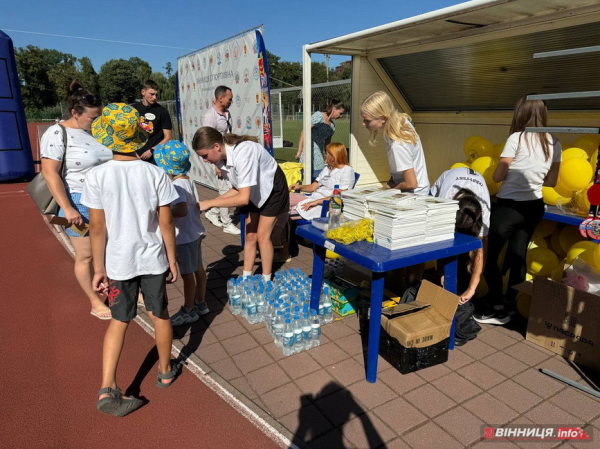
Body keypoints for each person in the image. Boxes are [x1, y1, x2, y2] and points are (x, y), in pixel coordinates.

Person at [83, 103, 181, 416]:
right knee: (159, 314)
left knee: (119, 319)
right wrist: (172, 259)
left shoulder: (96, 176)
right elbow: (166, 223)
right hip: (151, 258)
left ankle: (107, 384)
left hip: (118, 262)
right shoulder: (156, 174)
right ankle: (165, 371)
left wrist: (99, 268)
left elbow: (97, 228)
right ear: (140, 136)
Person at [477, 96, 561, 325]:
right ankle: (511, 304)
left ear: (520, 114)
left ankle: (497, 305)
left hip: (508, 207)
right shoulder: (554, 142)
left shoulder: (517, 138)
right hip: (534, 207)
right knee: (518, 255)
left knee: (486, 256)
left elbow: (497, 176)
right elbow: (552, 181)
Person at [40, 80, 112, 320]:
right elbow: (49, 172)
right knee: (87, 256)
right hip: (77, 199)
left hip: (104, 200)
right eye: (93, 118)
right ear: (74, 112)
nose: (96, 121)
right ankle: (94, 301)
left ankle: (115, 291)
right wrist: (67, 207)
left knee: (109, 250)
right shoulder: (57, 133)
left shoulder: (95, 132)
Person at [192, 127, 290, 281]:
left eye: (205, 155)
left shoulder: (244, 152)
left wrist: (210, 203)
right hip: (253, 190)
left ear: (216, 146)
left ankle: (266, 280)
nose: (204, 160)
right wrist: (210, 203)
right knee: (250, 236)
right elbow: (236, 188)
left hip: (273, 188)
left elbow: (243, 198)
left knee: (263, 236)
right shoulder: (220, 160)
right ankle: (246, 279)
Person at [154, 140, 210, 325]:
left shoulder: (176, 186)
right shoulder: (188, 180)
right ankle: (200, 303)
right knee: (198, 269)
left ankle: (188, 310)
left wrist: (160, 213)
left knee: (187, 275)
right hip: (194, 233)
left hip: (184, 237)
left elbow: (182, 210)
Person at [431, 167, 491, 303]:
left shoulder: (484, 212)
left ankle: (463, 285)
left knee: (470, 253)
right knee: (446, 239)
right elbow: (441, 240)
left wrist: (472, 288)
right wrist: (443, 272)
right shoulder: (444, 201)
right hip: (448, 180)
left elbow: (481, 250)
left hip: (476, 187)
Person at [360, 91, 429, 194]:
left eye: (367, 120)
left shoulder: (398, 144)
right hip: (416, 189)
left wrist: (390, 188)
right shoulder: (401, 121)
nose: (363, 123)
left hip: (414, 194)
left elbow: (411, 183)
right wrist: (390, 182)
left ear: (383, 118)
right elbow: (400, 168)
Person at [201, 85, 240, 235]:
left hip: (227, 155)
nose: (231, 102)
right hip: (218, 159)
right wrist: (217, 165)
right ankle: (227, 224)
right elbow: (207, 141)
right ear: (220, 98)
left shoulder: (226, 113)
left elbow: (227, 135)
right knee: (225, 189)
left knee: (232, 187)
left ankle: (213, 211)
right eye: (229, 99)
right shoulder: (210, 116)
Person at [289, 142, 355, 221]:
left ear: (333, 157)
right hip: (311, 197)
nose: (325, 155)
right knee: (281, 199)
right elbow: (313, 187)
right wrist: (300, 187)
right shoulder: (327, 168)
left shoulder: (346, 170)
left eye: (327, 153)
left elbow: (341, 195)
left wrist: (315, 202)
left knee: (283, 213)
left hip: (322, 205)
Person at [295, 99, 345, 179]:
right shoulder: (319, 116)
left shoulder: (332, 126)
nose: (341, 116)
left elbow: (327, 143)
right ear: (334, 109)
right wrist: (300, 151)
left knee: (318, 180)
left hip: (319, 158)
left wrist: (328, 156)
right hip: (308, 154)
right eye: (340, 113)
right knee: (305, 179)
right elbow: (304, 131)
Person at [132, 80, 173, 164]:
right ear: (143, 92)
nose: (154, 97)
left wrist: (152, 150)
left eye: (156, 95)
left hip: (155, 158)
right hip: (135, 156)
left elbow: (168, 137)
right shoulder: (133, 110)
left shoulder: (162, 111)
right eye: (152, 94)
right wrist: (132, 152)